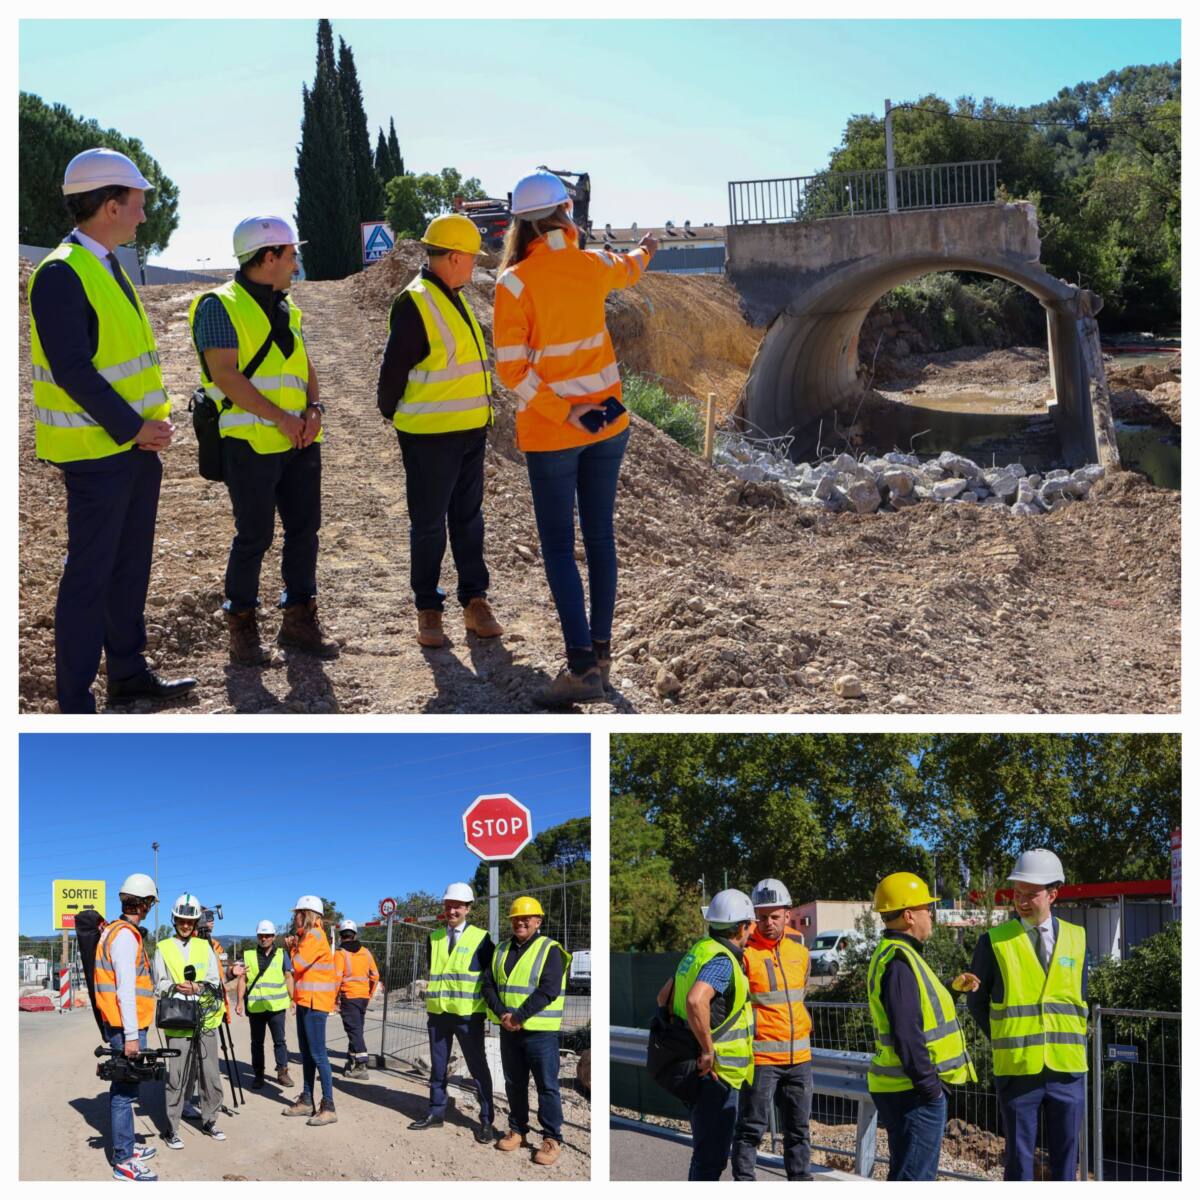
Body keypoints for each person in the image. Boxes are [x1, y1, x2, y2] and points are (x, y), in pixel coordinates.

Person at [27, 147, 197, 713]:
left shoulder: (104, 265)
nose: (145, 214)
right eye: (138, 203)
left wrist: (144, 430)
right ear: (108, 204)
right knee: (90, 577)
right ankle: (75, 702)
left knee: (128, 569)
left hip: (131, 448)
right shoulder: (60, 274)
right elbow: (73, 370)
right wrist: (133, 429)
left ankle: (128, 673)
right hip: (98, 452)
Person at [492, 171, 658, 706]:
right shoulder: (592, 265)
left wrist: (566, 411)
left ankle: (583, 668)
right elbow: (630, 268)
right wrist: (647, 248)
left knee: (561, 548)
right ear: (566, 213)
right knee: (600, 539)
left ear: (520, 222)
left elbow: (513, 372)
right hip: (609, 424)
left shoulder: (513, 283)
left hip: (554, 433)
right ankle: (601, 659)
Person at [187, 215, 338, 667]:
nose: (296, 262)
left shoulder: (287, 306)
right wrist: (282, 419)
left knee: (303, 533)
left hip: (299, 442)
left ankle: (298, 621)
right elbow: (225, 376)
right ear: (268, 257)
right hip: (249, 444)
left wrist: (314, 410)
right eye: (291, 253)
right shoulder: (219, 305)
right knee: (253, 537)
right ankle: (243, 632)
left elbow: (304, 365)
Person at [376, 213, 503, 649]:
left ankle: (475, 601)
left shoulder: (453, 295)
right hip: (430, 437)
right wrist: (396, 414)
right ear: (452, 257)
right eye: (470, 258)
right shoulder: (415, 301)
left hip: (469, 432)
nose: (474, 265)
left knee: (468, 521)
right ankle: (428, 608)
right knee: (429, 525)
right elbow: (392, 373)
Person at [966, 849, 1089, 1181]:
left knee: (1067, 1163)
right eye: (1017, 893)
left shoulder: (1077, 939)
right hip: (1019, 1071)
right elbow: (976, 1004)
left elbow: (1081, 999)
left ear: (1052, 894)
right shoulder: (992, 942)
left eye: (1030, 894)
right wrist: (1008, 1040)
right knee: (1019, 1163)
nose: (1021, 900)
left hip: (1068, 1070)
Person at [866, 872, 979, 1181]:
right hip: (913, 1092)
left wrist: (953, 990)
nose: (931, 914)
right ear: (908, 915)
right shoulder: (900, 961)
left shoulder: (898, 955)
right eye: (926, 908)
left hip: (906, 1089)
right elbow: (906, 1034)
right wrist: (931, 1090)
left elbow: (918, 1014)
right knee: (914, 1179)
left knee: (907, 1173)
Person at [655, 888, 756, 1181]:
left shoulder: (698, 950)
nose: (752, 930)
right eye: (749, 924)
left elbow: (663, 998)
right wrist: (708, 1049)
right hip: (717, 1074)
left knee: (704, 1154)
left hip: (692, 1067)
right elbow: (696, 999)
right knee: (710, 1160)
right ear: (740, 927)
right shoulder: (723, 960)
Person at [732, 879, 814, 1181]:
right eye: (762, 916)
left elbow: (800, 997)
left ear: (788, 915)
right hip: (761, 1058)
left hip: (800, 1058)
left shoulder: (800, 955)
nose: (768, 923)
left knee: (799, 1131)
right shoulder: (744, 956)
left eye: (774, 916)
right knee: (751, 1128)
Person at [484, 895, 572, 1166]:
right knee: (515, 1083)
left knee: (547, 1086)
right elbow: (488, 986)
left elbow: (549, 989)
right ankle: (518, 1130)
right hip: (510, 1030)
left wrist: (519, 1017)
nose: (520, 922)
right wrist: (503, 1014)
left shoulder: (550, 949)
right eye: (515, 918)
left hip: (540, 1032)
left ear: (538, 920)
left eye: (526, 917)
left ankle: (551, 1138)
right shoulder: (500, 950)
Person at [410, 882, 497, 1141]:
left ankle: (485, 1121)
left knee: (478, 1067)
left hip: (468, 1015)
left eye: (457, 906)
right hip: (438, 1015)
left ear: (468, 908)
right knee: (438, 1067)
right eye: (448, 906)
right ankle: (436, 1112)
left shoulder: (481, 938)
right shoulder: (434, 937)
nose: (452, 911)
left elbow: (489, 978)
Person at [94, 873, 160, 1180]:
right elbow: (125, 991)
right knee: (124, 1090)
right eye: (150, 903)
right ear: (144, 904)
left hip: (123, 1025)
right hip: (125, 1028)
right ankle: (123, 1159)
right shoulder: (122, 936)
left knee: (127, 1088)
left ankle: (128, 1145)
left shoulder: (116, 931)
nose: (149, 908)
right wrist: (133, 1036)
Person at [152, 893, 227, 1149]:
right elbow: (159, 984)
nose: (186, 925)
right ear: (175, 919)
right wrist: (175, 986)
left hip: (205, 1019)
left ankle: (210, 1120)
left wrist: (198, 987)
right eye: (182, 920)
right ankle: (171, 1128)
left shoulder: (205, 947)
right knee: (177, 1076)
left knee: (210, 1075)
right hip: (177, 1020)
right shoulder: (163, 948)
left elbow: (215, 981)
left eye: (190, 921)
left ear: (195, 923)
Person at [282, 895, 337, 1125]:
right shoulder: (308, 936)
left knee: (318, 1055)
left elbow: (297, 965)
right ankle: (306, 1100)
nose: (295, 917)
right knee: (307, 1054)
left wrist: (291, 948)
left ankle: (328, 1105)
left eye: (297, 913)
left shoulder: (313, 935)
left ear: (307, 914)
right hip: (307, 1001)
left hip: (316, 1003)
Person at [237, 920, 294, 1090]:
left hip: (276, 1007)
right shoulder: (248, 955)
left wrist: (293, 999)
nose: (264, 938)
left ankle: (282, 1072)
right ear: (257, 937)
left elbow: (288, 977)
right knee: (257, 1043)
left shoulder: (282, 954)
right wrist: (239, 1001)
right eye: (261, 935)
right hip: (256, 1008)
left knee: (279, 1041)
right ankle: (259, 1075)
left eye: (267, 935)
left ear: (273, 937)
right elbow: (243, 979)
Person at [333, 919, 379, 1079]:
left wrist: (333, 999)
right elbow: (375, 975)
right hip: (363, 998)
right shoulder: (366, 952)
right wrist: (369, 993)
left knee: (354, 1031)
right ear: (354, 935)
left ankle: (361, 1065)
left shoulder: (340, 954)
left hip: (349, 997)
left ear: (341, 936)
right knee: (356, 1030)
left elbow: (337, 978)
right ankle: (351, 1061)